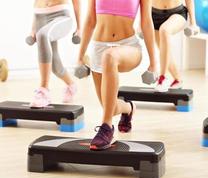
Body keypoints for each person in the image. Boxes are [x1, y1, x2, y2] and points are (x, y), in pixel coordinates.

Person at [77, 0, 156, 150]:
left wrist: (153, 63)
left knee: (110, 56)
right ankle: (128, 108)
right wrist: (80, 56)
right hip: (99, 47)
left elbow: (146, 22)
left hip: (128, 46)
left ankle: (106, 128)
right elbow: (90, 20)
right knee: (110, 108)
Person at [29, 0, 81, 108]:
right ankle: (71, 85)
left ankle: (44, 91)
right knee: (54, 65)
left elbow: (76, 1)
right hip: (40, 16)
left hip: (60, 15)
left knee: (43, 35)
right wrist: (33, 28)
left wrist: (79, 27)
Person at [152, 0, 197, 92]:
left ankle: (163, 78)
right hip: (154, 14)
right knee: (163, 51)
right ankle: (178, 79)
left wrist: (193, 23)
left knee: (164, 30)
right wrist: (141, 22)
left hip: (177, 13)